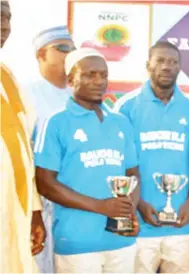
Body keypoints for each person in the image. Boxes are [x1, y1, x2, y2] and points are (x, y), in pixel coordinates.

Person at [33, 48, 141, 273]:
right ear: (71, 79)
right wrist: (100, 207)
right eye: (89, 74)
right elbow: (44, 182)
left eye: (103, 75)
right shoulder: (55, 122)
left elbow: (132, 173)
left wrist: (129, 211)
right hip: (78, 243)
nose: (98, 81)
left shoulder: (120, 122)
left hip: (120, 240)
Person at [113, 41, 189, 273]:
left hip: (182, 225)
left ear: (180, 68)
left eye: (173, 62)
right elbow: (118, 164)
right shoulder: (126, 107)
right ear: (148, 65)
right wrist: (138, 204)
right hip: (139, 224)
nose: (167, 67)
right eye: (160, 61)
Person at [0, 1, 46, 272]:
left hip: (13, 207)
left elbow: (22, 149)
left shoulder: (9, 78)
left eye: (7, 18)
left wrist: (34, 211)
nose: (4, 25)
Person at [27, 25, 75, 273]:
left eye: (72, 48)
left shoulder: (80, 95)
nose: (70, 54)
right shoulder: (26, 94)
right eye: (62, 48)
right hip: (41, 203)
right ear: (40, 55)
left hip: (76, 203)